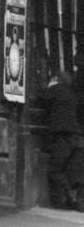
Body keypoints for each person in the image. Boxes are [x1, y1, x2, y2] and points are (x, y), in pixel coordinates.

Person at [38, 70, 84, 211]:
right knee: (75, 171)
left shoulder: (56, 89)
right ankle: (79, 200)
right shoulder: (72, 94)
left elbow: (40, 97)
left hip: (63, 137)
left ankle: (69, 197)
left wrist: (47, 86)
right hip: (77, 137)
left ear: (56, 79)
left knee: (55, 169)